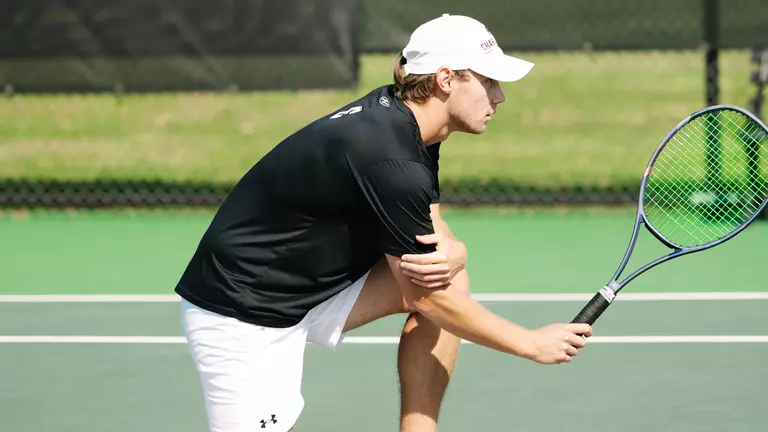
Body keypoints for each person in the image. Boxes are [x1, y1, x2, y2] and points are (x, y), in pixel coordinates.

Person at [175, 13, 592, 432]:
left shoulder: (409, 120)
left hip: (306, 288)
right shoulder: (390, 158)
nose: (499, 97)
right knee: (435, 295)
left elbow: (431, 229)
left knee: (447, 282)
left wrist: (458, 253)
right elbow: (425, 299)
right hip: (242, 313)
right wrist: (531, 343)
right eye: (489, 82)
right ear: (446, 79)